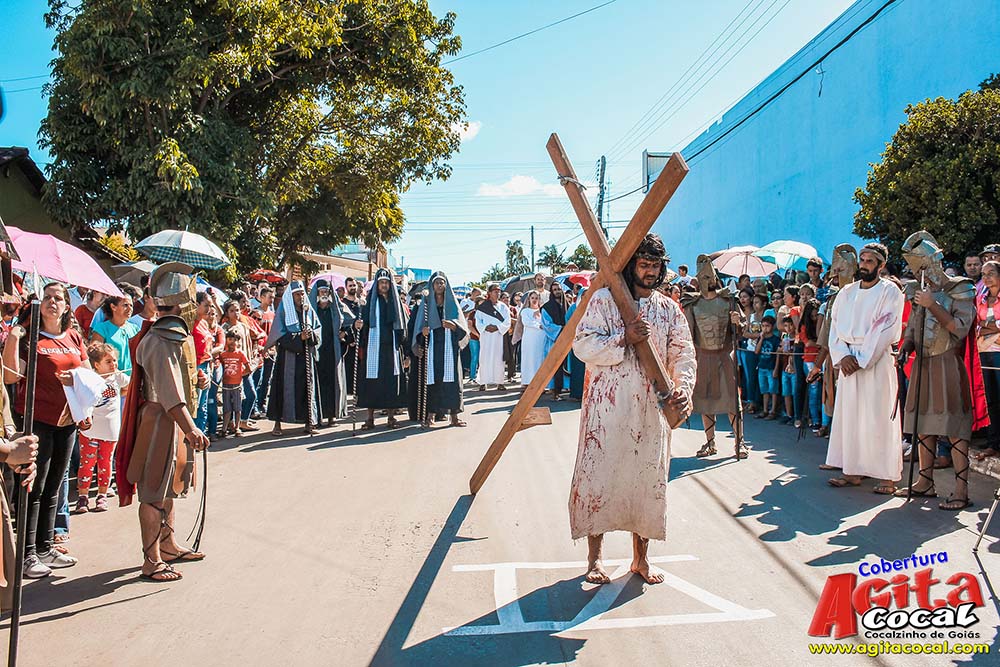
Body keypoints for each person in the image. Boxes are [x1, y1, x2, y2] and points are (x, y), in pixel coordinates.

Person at [569, 233, 696, 585]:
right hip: (607, 408)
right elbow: (582, 345)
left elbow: (683, 352)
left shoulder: (669, 308)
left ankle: (641, 559)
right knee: (599, 476)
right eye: (644, 264)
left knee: (646, 482)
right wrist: (623, 337)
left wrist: (683, 389)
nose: (651, 272)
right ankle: (594, 559)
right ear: (631, 266)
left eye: (656, 266)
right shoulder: (604, 301)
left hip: (649, 410)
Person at [116, 262, 209, 582]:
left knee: (170, 487)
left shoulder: (170, 337)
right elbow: (169, 394)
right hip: (158, 421)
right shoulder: (158, 339)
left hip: (169, 422)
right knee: (153, 492)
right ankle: (151, 559)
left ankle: (168, 545)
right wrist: (191, 427)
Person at [3, 283, 90, 578]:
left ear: (67, 305)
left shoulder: (73, 336)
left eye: (59, 298)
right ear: (39, 305)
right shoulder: (29, 338)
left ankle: (44, 547)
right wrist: (15, 335)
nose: (54, 302)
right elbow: (10, 374)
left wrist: (78, 387)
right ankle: (26, 554)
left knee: (55, 486)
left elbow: (88, 375)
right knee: (33, 487)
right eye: (48, 298)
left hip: (67, 421)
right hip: (36, 420)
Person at [894, 232, 978, 509]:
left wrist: (933, 303)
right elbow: (915, 323)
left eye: (922, 266)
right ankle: (924, 480)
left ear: (935, 261)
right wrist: (907, 343)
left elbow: (958, 328)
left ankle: (960, 489)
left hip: (948, 362)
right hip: (923, 361)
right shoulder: (921, 289)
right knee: (922, 424)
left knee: (953, 426)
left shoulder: (961, 288)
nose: (920, 272)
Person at [825, 243, 905, 494]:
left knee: (878, 417)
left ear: (881, 265)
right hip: (849, 362)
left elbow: (888, 328)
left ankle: (886, 476)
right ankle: (851, 470)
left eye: (870, 261)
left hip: (876, 361)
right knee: (851, 417)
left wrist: (861, 359)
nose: (864, 264)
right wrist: (844, 356)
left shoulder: (890, 292)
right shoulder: (846, 293)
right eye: (863, 259)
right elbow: (834, 329)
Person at [682, 255, 744, 458]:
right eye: (704, 276)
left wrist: (737, 323)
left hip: (725, 356)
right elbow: (688, 335)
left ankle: (739, 442)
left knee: (733, 401)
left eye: (710, 276)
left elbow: (741, 330)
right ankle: (710, 442)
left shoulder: (728, 301)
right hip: (703, 357)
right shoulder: (692, 304)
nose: (708, 281)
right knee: (706, 401)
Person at [809, 244, 859, 441]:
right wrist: (817, 366)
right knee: (836, 403)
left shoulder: (861, 295)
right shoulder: (832, 300)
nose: (836, 274)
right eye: (835, 271)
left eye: (841, 270)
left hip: (857, 361)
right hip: (835, 361)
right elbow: (827, 336)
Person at [73, 342, 129, 514]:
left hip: (110, 429)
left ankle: (102, 494)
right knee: (87, 463)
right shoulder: (89, 379)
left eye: (114, 360)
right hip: (90, 429)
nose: (113, 364)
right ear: (96, 365)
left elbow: (128, 387)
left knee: (105, 463)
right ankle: (83, 496)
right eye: (108, 361)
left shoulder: (117, 377)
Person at [411, 271, 469, 428]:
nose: (439, 285)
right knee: (433, 380)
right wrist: (423, 333)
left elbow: (462, 327)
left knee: (453, 381)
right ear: (432, 285)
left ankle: (455, 416)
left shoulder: (452, 303)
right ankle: (430, 416)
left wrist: (454, 325)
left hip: (449, 346)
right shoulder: (426, 303)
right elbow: (418, 327)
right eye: (436, 282)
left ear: (446, 285)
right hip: (433, 348)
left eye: (442, 282)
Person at [266, 281, 323, 435]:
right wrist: (299, 337)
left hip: (306, 358)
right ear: (291, 297)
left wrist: (311, 336)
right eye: (297, 294)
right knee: (281, 390)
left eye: (302, 294)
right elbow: (279, 335)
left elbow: (318, 329)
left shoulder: (308, 311)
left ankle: (309, 422)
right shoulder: (284, 311)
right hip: (288, 358)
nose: (300, 297)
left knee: (307, 389)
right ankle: (277, 424)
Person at [356, 268, 408, 430]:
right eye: (381, 283)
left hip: (392, 350)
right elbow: (362, 326)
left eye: (386, 283)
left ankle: (391, 418)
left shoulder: (396, 304)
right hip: (374, 349)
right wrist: (357, 326)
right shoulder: (370, 303)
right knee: (372, 384)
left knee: (392, 383)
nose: (384, 285)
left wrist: (406, 353)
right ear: (377, 285)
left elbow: (403, 328)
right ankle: (370, 418)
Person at [310, 279, 348, 427]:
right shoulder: (313, 309)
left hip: (332, 350)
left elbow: (349, 319)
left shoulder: (335, 308)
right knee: (318, 384)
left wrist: (344, 331)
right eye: (321, 291)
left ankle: (332, 416)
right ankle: (317, 416)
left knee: (333, 383)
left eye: (327, 291)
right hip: (317, 351)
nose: (324, 294)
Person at [220, 298, 261, 433]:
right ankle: (232, 423)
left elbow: (253, 339)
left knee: (251, 394)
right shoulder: (225, 328)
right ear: (227, 312)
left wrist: (253, 354)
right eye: (232, 311)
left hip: (244, 366)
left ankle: (243, 420)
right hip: (231, 369)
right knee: (231, 397)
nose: (235, 313)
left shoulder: (243, 326)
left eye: (237, 310)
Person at [974, 260, 1000, 460]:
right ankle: (993, 442)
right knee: (990, 398)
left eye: (991, 273)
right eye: (983, 274)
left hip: (998, 353)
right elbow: (978, 325)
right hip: (984, 351)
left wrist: (988, 326)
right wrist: (991, 327)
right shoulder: (981, 298)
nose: (986, 277)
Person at [90, 292, 140, 377]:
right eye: (125, 305)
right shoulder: (102, 329)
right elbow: (95, 356)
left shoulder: (135, 329)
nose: (129, 309)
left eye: (131, 305)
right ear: (113, 307)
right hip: (111, 380)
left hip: (133, 378)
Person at [474, 283, 512, 391]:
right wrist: (485, 327)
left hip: (498, 336)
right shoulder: (482, 307)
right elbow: (478, 321)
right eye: (495, 291)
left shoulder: (503, 307)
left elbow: (507, 321)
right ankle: (483, 382)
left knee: (499, 359)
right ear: (489, 293)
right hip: (486, 336)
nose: (498, 293)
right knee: (484, 358)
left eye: (499, 291)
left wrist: (498, 327)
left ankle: (499, 382)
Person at [219, 331, 250, 437]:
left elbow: (248, 368)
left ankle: (237, 427)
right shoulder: (222, 355)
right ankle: (224, 429)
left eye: (235, 340)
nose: (232, 342)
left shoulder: (240, 354)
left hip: (237, 384)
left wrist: (240, 375)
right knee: (227, 408)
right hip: (226, 385)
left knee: (237, 408)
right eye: (230, 339)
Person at [541, 282, 568, 399]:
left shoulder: (568, 305)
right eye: (554, 289)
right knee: (554, 365)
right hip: (553, 340)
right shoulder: (546, 307)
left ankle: (565, 388)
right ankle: (554, 389)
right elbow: (546, 325)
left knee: (566, 364)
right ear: (551, 292)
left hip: (567, 339)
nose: (557, 291)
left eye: (558, 289)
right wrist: (561, 329)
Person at [253, 285, 277, 415]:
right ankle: (254, 406)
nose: (271, 300)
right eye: (269, 297)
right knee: (258, 380)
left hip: (272, 351)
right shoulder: (256, 314)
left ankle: (262, 403)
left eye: (273, 297)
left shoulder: (273, 314)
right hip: (260, 352)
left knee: (267, 380)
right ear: (261, 298)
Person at [754, 316, 780, 419]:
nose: (765, 328)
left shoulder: (775, 339)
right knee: (764, 390)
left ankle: (773, 410)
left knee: (773, 390)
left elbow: (778, 355)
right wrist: (761, 338)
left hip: (771, 367)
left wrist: (776, 369)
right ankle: (765, 410)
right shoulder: (761, 338)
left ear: (772, 327)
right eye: (763, 326)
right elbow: (756, 351)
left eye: (767, 326)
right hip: (762, 367)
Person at [519, 291, 546, 387]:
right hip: (529, 339)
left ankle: (540, 383)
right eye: (532, 298)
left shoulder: (542, 311)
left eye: (536, 298)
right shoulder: (525, 311)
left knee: (540, 359)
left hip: (541, 338)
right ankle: (527, 381)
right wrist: (539, 326)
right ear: (529, 299)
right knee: (529, 358)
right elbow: (527, 322)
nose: (534, 300)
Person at [341, 278, 362, 394]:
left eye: (354, 285)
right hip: (347, 345)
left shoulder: (361, 303)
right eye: (350, 286)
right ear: (346, 287)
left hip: (360, 344)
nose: (352, 287)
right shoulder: (343, 304)